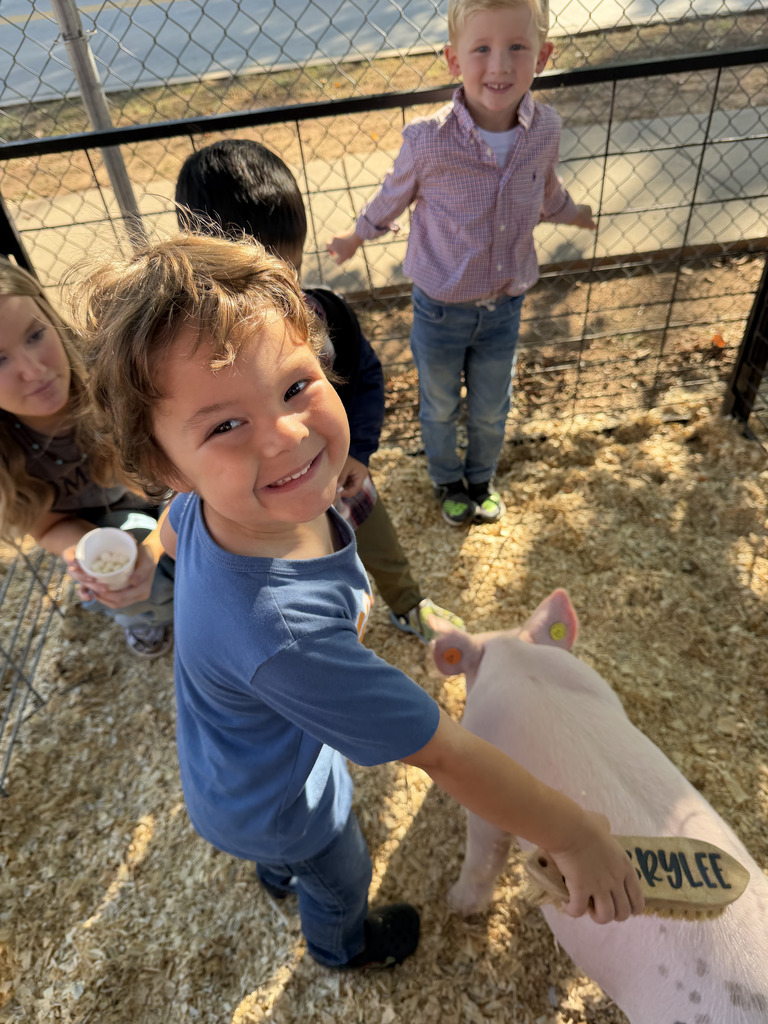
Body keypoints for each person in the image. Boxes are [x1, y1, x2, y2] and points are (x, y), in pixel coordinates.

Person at [71, 234, 643, 970]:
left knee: (286, 849)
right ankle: (343, 945)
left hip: (228, 767)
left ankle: (276, 870)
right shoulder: (287, 638)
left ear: (322, 360)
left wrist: (143, 563)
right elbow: (444, 751)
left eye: (293, 386)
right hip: (282, 804)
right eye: (223, 425)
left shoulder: (215, 508)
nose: (284, 437)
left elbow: (172, 543)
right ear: (163, 467)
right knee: (340, 872)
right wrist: (575, 836)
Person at [173, 138, 464, 643]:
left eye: (285, 271)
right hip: (261, 499)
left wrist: (362, 453)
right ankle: (325, 634)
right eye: (249, 278)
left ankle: (407, 601)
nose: (276, 293)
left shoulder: (326, 316)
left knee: (374, 529)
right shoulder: (197, 356)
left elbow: (368, 377)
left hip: (337, 471)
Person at [328, 0, 596, 527]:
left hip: (505, 306)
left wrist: (572, 214)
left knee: (493, 406)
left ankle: (481, 478)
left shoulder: (545, 129)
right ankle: (447, 481)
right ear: (454, 60)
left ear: (542, 56)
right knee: (441, 405)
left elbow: (546, 188)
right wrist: (356, 235)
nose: (499, 66)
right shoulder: (428, 140)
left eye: (516, 48)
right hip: (440, 310)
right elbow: (393, 193)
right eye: (482, 49)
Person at [0, 257, 174, 658]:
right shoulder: (9, 455)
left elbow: (187, 481)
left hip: (171, 499)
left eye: (34, 335)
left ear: (49, 315)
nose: (34, 369)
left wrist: (153, 549)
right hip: (108, 527)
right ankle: (150, 615)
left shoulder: (114, 378)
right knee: (112, 573)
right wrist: (89, 557)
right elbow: (47, 526)